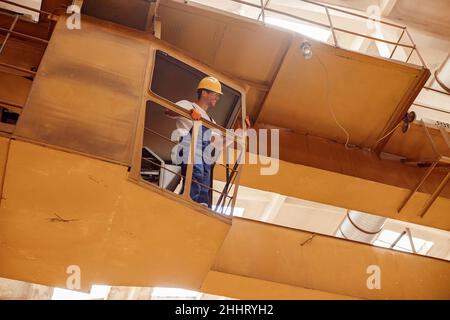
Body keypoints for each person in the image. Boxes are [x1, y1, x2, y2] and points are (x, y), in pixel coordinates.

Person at [168, 76, 223, 207]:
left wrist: (238, 133)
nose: (217, 98)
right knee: (195, 173)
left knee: (205, 177)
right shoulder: (188, 105)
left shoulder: (211, 120)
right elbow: (168, 111)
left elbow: (218, 144)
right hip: (189, 145)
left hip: (204, 151)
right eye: (215, 95)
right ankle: (189, 201)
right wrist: (188, 113)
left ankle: (201, 204)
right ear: (204, 93)